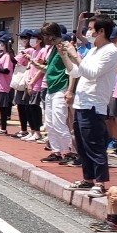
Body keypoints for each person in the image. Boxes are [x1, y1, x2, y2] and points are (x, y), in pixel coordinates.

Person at [57, 14, 117, 198]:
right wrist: (66, 56)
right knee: (82, 144)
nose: (89, 32)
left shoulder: (111, 51)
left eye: (92, 29)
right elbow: (76, 71)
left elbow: (92, 73)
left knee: (94, 144)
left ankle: (100, 183)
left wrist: (75, 55)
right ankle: (88, 179)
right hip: (81, 102)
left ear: (102, 31)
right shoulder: (93, 50)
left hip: (94, 104)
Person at [38, 23, 74, 162]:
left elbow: (72, 70)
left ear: (51, 35)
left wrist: (70, 90)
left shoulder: (64, 47)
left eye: (44, 35)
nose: (43, 38)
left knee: (59, 121)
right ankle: (56, 150)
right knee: (50, 122)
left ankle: (68, 151)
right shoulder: (53, 49)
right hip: (51, 88)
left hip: (61, 87)